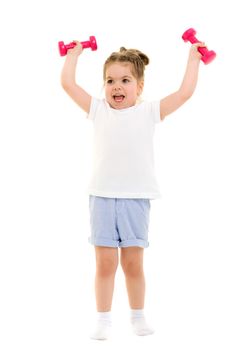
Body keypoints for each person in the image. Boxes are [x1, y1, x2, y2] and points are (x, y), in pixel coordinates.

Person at [60, 39, 205, 340]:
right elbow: (68, 83)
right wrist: (74, 54)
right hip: (101, 198)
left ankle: (138, 317)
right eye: (110, 80)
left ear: (139, 86)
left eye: (125, 80)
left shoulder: (149, 111)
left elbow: (184, 93)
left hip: (136, 199)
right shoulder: (98, 110)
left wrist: (193, 59)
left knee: (133, 263)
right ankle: (103, 319)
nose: (116, 86)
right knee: (105, 263)